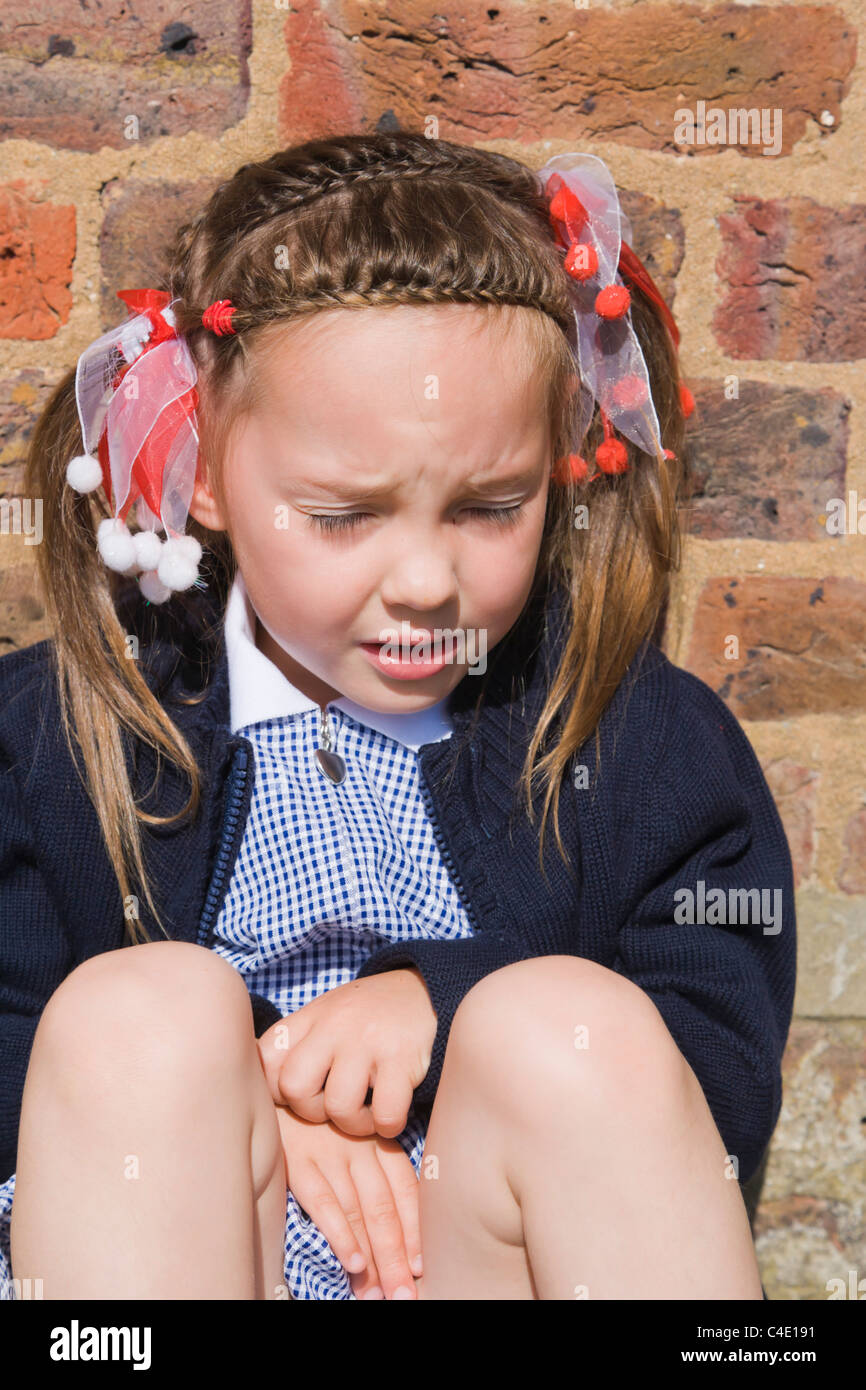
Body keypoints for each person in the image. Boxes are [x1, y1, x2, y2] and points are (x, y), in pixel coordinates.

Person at [0, 132, 795, 1301]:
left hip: (473, 1257)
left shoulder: (629, 740)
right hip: (181, 1248)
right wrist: (260, 1092)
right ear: (205, 469)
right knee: (139, 1017)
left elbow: (711, 1067)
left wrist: (451, 1003)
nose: (424, 580)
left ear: (556, 466)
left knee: (567, 1025)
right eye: (341, 515)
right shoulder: (63, 730)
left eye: (486, 506)